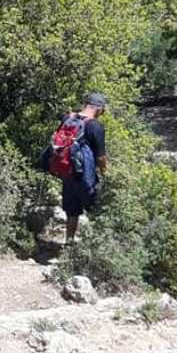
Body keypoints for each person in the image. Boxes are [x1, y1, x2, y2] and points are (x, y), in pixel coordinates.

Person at [59, 94, 109, 244]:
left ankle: (69, 241)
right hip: (85, 176)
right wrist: (106, 174)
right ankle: (96, 246)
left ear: (85, 104)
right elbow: (101, 157)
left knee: (72, 210)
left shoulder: (67, 119)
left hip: (67, 172)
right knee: (97, 208)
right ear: (100, 109)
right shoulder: (95, 126)